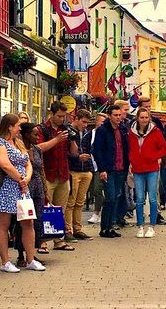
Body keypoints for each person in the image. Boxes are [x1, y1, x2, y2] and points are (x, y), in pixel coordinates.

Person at [0, 114, 43, 272]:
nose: (20, 128)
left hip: (22, 189)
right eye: (17, 125)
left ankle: (30, 258)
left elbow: (28, 163)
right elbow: (4, 164)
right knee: (3, 224)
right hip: (6, 188)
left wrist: (27, 177)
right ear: (9, 126)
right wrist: (20, 178)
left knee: (28, 222)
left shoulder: (18, 142)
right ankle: (5, 261)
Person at [38, 101, 74, 251]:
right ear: (52, 114)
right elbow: (38, 148)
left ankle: (59, 240)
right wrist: (56, 140)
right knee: (45, 208)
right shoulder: (42, 130)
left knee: (60, 209)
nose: (62, 119)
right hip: (48, 174)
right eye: (59, 116)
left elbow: (73, 153)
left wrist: (72, 139)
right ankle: (42, 242)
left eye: (64, 116)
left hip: (63, 173)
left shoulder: (65, 129)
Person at [129, 107, 166, 238]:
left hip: (152, 169)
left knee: (152, 198)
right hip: (138, 169)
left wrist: (153, 156)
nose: (144, 120)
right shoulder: (131, 132)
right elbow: (129, 149)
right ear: (137, 118)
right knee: (139, 199)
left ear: (149, 118)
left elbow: (164, 149)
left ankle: (151, 226)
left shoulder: (155, 131)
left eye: (146, 117)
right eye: (142, 117)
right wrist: (132, 159)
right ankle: (140, 225)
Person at [15, 123, 51, 267]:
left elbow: (41, 169)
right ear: (25, 134)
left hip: (38, 188)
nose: (37, 137)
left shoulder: (37, 149)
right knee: (22, 222)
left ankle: (32, 253)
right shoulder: (18, 149)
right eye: (34, 134)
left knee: (36, 221)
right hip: (24, 188)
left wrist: (45, 191)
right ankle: (20, 254)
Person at [92, 105, 129, 238]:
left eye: (120, 115)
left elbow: (126, 149)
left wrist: (128, 166)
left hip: (121, 168)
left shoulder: (123, 129)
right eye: (115, 115)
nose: (118, 117)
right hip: (109, 169)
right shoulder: (103, 130)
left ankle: (111, 226)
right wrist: (102, 169)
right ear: (109, 116)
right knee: (110, 197)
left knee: (116, 197)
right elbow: (96, 150)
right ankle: (104, 228)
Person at [65, 109, 94, 241]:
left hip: (85, 170)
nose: (85, 125)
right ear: (76, 119)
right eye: (83, 122)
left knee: (80, 202)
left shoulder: (87, 133)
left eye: (87, 122)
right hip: (73, 170)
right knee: (70, 202)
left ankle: (78, 229)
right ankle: (68, 230)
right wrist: (77, 158)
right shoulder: (68, 132)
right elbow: (65, 153)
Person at [86, 113, 107, 225]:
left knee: (98, 189)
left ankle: (97, 213)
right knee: (93, 190)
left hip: (102, 166)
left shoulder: (107, 134)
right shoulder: (89, 134)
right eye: (101, 122)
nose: (102, 124)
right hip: (90, 166)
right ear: (96, 122)